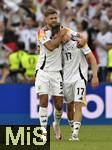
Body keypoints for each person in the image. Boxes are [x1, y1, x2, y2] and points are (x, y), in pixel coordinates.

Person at [62, 28, 99, 141]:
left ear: (68, 34)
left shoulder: (79, 43)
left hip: (80, 78)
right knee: (69, 107)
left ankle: (75, 134)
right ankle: (72, 128)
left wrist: (95, 76)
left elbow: (92, 58)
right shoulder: (58, 47)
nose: (63, 38)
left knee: (78, 105)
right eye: (61, 36)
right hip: (66, 80)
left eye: (64, 35)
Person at [35, 7, 66, 140]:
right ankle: (42, 131)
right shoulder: (41, 32)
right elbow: (51, 47)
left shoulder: (63, 29)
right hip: (43, 71)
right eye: (51, 18)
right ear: (46, 19)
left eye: (55, 18)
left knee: (59, 105)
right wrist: (61, 35)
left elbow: (75, 37)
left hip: (57, 72)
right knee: (43, 100)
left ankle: (56, 124)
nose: (54, 20)